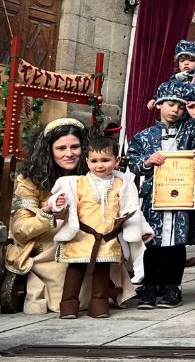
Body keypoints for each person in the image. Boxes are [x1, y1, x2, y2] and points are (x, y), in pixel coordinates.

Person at [6, 119, 134, 314]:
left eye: (75, 147)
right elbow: (20, 230)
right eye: (61, 148)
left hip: (96, 244)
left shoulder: (101, 173)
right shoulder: (30, 180)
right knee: (62, 300)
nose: (69, 153)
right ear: (49, 150)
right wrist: (49, 215)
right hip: (51, 250)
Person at [129, 80, 195, 309]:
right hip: (155, 198)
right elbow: (134, 163)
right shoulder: (144, 136)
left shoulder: (189, 132)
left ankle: (172, 288)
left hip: (182, 198)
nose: (175, 110)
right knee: (153, 244)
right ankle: (149, 288)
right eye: (170, 104)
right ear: (159, 104)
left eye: (180, 106)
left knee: (177, 244)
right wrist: (148, 161)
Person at [49, 135, 151, 319]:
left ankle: (99, 305)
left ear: (117, 160)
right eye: (94, 161)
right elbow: (59, 202)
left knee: (101, 273)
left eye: (105, 160)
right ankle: (68, 306)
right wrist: (59, 203)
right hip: (81, 236)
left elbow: (131, 209)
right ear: (87, 161)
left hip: (107, 237)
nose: (100, 165)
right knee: (75, 271)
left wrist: (141, 230)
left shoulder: (122, 184)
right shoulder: (76, 183)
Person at [144, 40, 195, 111]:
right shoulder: (177, 77)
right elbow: (167, 89)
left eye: (191, 60)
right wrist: (155, 99)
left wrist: (185, 89)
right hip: (183, 109)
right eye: (182, 61)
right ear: (178, 64)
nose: (186, 63)